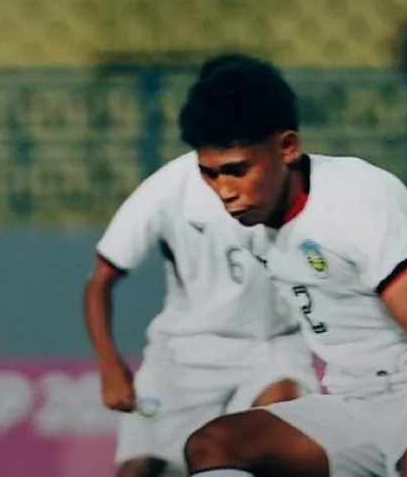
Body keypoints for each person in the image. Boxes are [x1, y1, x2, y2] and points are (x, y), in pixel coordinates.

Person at [176, 55, 407, 477]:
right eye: (210, 174)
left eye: (237, 171)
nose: (225, 191)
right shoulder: (249, 225)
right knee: (214, 444)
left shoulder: (356, 196)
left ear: (288, 148)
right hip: (354, 401)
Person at [84, 149, 320, 476]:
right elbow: (100, 281)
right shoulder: (166, 189)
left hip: (273, 346)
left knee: (279, 435)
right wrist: (109, 366)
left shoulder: (290, 179)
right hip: (184, 354)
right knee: (139, 468)